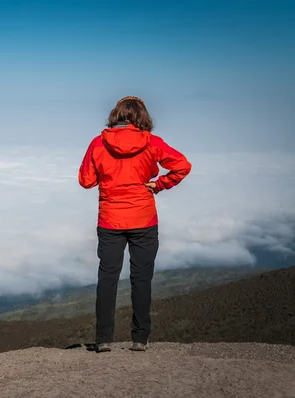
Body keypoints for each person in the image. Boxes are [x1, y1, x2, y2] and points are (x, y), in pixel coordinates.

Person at [78, 96, 192, 352]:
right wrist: (159, 184)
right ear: (142, 117)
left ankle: (104, 339)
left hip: (110, 220)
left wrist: (107, 175)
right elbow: (182, 166)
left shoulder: (98, 143)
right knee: (142, 279)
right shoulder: (151, 142)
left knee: (107, 278)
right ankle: (140, 339)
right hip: (144, 219)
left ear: (115, 115)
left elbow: (86, 180)